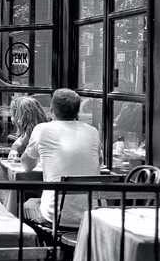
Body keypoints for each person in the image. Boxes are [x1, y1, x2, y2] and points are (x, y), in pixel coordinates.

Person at [20, 88, 101, 227]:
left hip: (56, 217)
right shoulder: (92, 132)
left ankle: (40, 246)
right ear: (77, 111)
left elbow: (27, 166)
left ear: (52, 109)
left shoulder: (42, 129)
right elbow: (99, 162)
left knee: (25, 205)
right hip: (92, 215)